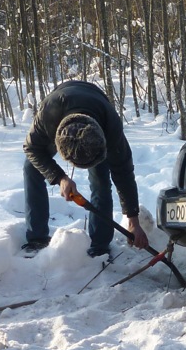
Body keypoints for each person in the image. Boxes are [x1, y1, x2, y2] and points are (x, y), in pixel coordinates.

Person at [21, 80, 150, 257]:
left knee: (101, 181)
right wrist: (60, 178)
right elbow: (31, 148)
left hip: (96, 105)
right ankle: (37, 239)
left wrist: (133, 221)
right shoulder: (48, 115)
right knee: (31, 167)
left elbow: (124, 174)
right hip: (60, 107)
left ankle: (100, 247)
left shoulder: (111, 126)